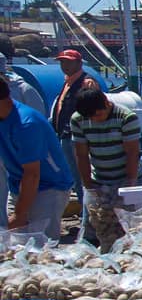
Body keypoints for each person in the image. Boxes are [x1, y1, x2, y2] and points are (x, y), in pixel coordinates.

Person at [0, 79, 74, 240]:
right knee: (13, 250)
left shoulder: (26, 124)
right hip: (18, 185)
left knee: (42, 251)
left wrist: (20, 213)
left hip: (49, 187)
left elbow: (32, 173)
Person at [51, 49, 100, 215]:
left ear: (79, 63)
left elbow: (94, 110)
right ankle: (85, 216)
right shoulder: (68, 82)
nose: (65, 65)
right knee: (74, 178)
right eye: (62, 62)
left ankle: (89, 218)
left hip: (77, 138)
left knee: (83, 180)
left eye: (69, 61)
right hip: (65, 137)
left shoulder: (86, 83)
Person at [70, 89, 142, 192]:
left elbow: (132, 153)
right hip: (98, 180)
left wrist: (129, 186)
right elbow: (81, 155)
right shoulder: (77, 119)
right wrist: (88, 187)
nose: (94, 120)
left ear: (106, 102)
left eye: (98, 115)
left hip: (128, 178)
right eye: (90, 117)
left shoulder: (127, 118)